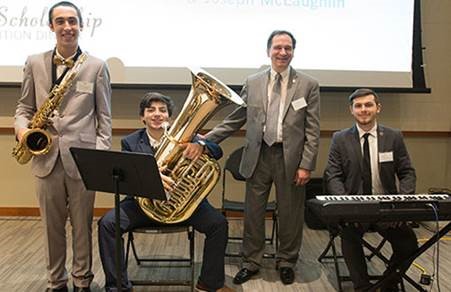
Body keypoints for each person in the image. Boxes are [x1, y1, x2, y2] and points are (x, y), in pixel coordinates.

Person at [205, 30, 320, 285]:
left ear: (293, 52)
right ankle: (251, 262)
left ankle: (287, 260)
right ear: (268, 51)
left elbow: (312, 129)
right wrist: (206, 139)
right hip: (258, 156)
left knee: (290, 213)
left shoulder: (308, 84)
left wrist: (306, 165)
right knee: (254, 213)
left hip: (290, 159)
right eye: (278, 47)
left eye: (288, 48)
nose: (282, 52)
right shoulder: (253, 82)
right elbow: (236, 118)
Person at [13, 1, 112, 291]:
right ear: (51, 26)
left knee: (82, 226)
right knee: (50, 228)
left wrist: (99, 159)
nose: (67, 27)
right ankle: (56, 282)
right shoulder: (33, 62)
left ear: (81, 25)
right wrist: (22, 131)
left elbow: (104, 119)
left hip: (83, 160)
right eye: (60, 22)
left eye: (72, 21)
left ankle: (82, 281)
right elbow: (23, 107)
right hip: (45, 157)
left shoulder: (96, 66)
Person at [98, 92, 234, 292]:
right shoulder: (131, 141)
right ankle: (117, 287)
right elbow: (127, 178)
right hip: (143, 206)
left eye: (162, 110)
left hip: (185, 206)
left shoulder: (188, 137)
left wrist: (201, 146)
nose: (157, 114)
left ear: (169, 117)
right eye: (150, 110)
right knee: (107, 224)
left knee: (218, 224)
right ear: (142, 117)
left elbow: (217, 150)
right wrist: (151, 178)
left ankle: (209, 284)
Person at [323, 88, 418, 292]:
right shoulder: (340, 138)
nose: (363, 110)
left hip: (387, 208)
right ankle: (363, 287)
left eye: (368, 105)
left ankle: (388, 282)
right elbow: (333, 175)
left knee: (409, 244)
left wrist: (402, 203)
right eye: (358, 106)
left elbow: (407, 172)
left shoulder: (393, 137)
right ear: (351, 110)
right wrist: (345, 205)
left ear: (378, 108)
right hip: (354, 209)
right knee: (349, 239)